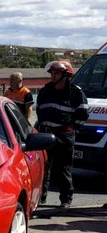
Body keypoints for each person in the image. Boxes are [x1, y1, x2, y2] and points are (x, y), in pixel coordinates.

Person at [36, 60, 88, 209]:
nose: (53, 76)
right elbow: (40, 111)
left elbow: (83, 115)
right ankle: (41, 198)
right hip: (45, 137)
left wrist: (72, 131)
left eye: (56, 73)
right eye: (51, 73)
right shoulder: (46, 90)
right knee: (43, 168)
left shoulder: (75, 92)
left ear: (66, 75)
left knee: (63, 169)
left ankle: (66, 200)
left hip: (64, 137)